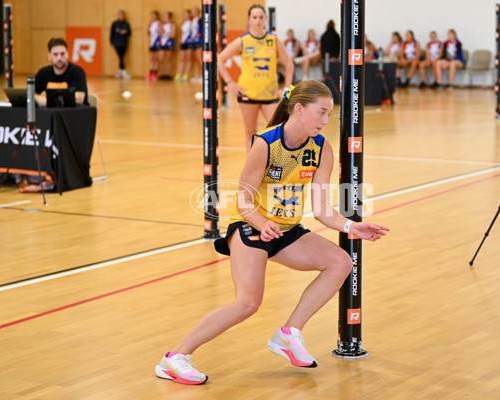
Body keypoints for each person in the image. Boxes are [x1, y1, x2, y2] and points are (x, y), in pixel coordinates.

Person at [154, 80, 390, 385]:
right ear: (299, 109)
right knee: (248, 304)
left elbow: (322, 211)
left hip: (287, 231)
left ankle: (289, 333)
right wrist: (261, 223)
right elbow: (243, 200)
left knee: (341, 262)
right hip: (253, 230)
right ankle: (175, 358)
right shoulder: (265, 144)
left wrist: (350, 226)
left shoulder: (322, 149)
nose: (325, 121)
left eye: (328, 115)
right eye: (321, 113)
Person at [217, 4, 293, 151]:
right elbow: (220, 59)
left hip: (269, 94)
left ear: (266, 18)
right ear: (249, 20)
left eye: (261, 17)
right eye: (254, 17)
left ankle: (274, 166)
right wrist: (230, 83)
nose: (258, 20)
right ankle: (253, 169)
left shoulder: (274, 40)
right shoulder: (242, 41)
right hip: (248, 93)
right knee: (250, 133)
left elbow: (289, 65)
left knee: (278, 131)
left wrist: (286, 89)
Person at [34, 37, 87, 106]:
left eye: (62, 54)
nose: (59, 58)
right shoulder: (43, 73)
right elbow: (30, 95)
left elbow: (79, 99)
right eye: (55, 54)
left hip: (74, 114)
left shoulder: (77, 72)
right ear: (49, 56)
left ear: (67, 54)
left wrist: (47, 102)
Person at [110, 10, 131, 79]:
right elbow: (112, 33)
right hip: (117, 43)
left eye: (122, 15)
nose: (121, 16)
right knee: (120, 57)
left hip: (124, 43)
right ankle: (123, 71)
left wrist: (125, 32)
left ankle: (120, 71)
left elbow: (129, 33)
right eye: (119, 15)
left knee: (121, 57)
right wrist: (111, 42)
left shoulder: (126, 24)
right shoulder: (115, 23)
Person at [175, 9, 193, 82]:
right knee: (182, 58)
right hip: (183, 42)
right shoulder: (183, 22)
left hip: (189, 42)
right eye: (184, 14)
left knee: (188, 58)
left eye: (186, 14)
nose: (185, 16)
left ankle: (186, 74)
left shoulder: (192, 22)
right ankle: (179, 74)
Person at [158, 11, 176, 79]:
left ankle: (169, 74)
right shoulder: (162, 25)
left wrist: (166, 33)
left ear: (169, 17)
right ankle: (163, 74)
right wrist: (161, 30)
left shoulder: (172, 25)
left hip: (169, 42)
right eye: (164, 16)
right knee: (161, 58)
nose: (164, 18)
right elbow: (160, 34)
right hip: (162, 42)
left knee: (169, 59)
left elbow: (173, 35)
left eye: (166, 16)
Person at [146, 10, 161, 81]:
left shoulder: (159, 23)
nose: (153, 17)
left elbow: (161, 33)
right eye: (152, 15)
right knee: (151, 58)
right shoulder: (150, 23)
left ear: (157, 16)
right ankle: (150, 72)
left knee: (156, 58)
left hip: (157, 42)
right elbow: (148, 33)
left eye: (154, 15)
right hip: (152, 42)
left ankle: (155, 72)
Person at [189, 7, 203, 81]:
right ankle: (199, 74)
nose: (193, 12)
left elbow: (204, 28)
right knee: (196, 59)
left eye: (194, 10)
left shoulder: (200, 19)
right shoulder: (192, 20)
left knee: (199, 58)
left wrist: (200, 34)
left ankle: (203, 75)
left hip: (199, 41)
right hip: (193, 41)